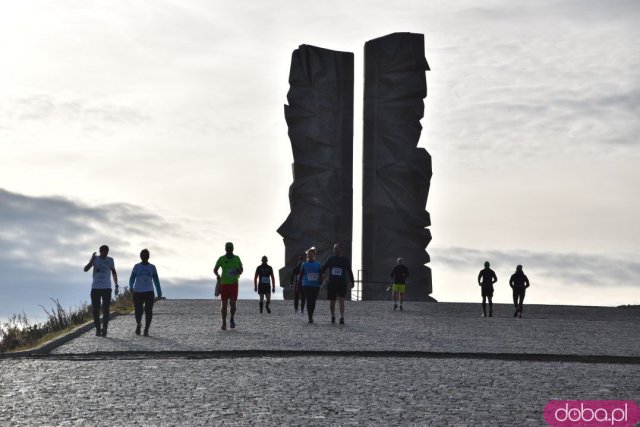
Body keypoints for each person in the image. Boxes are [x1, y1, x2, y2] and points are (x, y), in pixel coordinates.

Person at [83, 245, 119, 337]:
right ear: (100, 251)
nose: (105, 253)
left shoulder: (110, 260)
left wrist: (116, 285)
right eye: (103, 252)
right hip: (96, 288)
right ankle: (98, 329)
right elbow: (85, 269)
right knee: (96, 310)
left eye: (106, 252)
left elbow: (114, 272)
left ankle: (105, 328)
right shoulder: (95, 259)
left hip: (107, 288)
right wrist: (91, 261)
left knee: (106, 309)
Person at [129, 249, 163, 336]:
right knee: (138, 311)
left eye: (146, 256)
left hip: (149, 291)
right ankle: (138, 324)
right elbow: (132, 278)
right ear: (140, 256)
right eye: (142, 255)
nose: (144, 257)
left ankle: (146, 329)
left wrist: (159, 292)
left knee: (148, 311)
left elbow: (156, 280)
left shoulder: (152, 267)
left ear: (148, 257)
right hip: (138, 291)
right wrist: (131, 287)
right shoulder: (136, 266)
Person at [321, 243, 355, 324]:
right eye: (334, 248)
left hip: (342, 283)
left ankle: (342, 317)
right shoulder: (331, 259)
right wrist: (322, 274)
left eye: (337, 248)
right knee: (332, 301)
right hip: (332, 283)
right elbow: (324, 267)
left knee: (341, 300)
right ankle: (333, 316)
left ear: (340, 249)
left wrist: (352, 281)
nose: (335, 250)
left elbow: (350, 271)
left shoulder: (345, 260)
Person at [214, 242, 243, 330]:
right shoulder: (221, 259)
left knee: (233, 304)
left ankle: (232, 318)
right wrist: (218, 275)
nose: (229, 250)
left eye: (230, 248)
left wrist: (239, 271)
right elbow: (215, 269)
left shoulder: (237, 258)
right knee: (224, 305)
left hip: (234, 284)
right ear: (225, 249)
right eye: (228, 248)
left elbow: (242, 270)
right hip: (224, 284)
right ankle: (224, 323)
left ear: (232, 249)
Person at [297, 247, 322, 323]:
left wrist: (321, 281)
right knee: (309, 300)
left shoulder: (318, 264)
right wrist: (298, 285)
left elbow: (321, 274)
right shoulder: (304, 264)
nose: (309, 256)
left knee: (313, 301)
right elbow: (300, 276)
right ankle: (310, 317)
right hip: (306, 285)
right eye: (308, 254)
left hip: (315, 286)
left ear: (314, 255)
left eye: (311, 254)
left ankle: (311, 314)